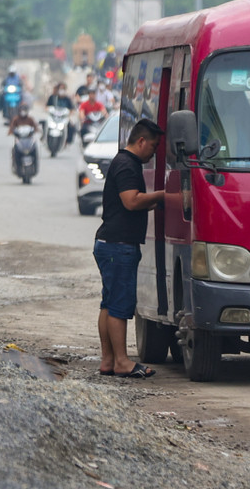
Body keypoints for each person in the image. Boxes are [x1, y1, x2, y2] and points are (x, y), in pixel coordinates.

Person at [94, 118, 165, 378]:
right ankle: (122, 362)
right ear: (141, 141)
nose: (154, 152)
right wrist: (162, 196)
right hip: (118, 247)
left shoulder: (124, 162)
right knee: (120, 306)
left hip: (110, 244)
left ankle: (108, 361)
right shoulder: (126, 164)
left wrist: (154, 203)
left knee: (109, 303)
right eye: (154, 146)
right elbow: (131, 201)